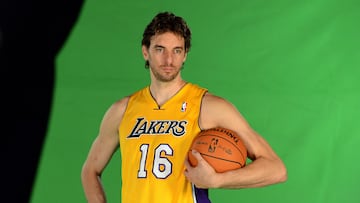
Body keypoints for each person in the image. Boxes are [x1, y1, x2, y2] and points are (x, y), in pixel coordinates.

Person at [81, 11, 287, 203]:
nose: (169, 60)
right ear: (146, 52)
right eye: (160, 49)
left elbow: (276, 169)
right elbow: (90, 170)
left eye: (177, 50)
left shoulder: (208, 106)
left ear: (185, 54)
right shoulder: (122, 110)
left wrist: (217, 180)